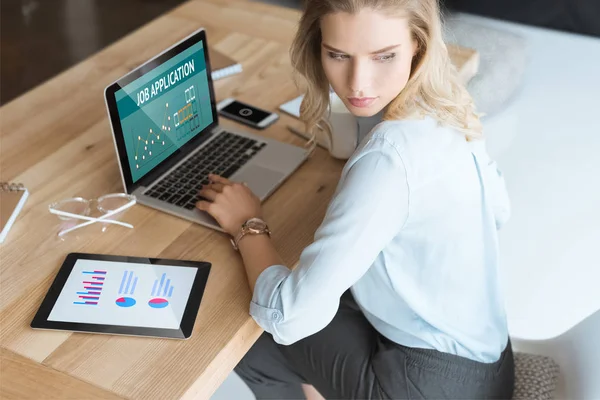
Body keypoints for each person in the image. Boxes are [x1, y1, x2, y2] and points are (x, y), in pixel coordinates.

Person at [195, 0, 515, 398]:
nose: (358, 83)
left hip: (425, 386)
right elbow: (500, 210)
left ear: (417, 44)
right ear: (317, 48)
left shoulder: (388, 160)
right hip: (488, 365)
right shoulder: (445, 100)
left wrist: (248, 226)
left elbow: (290, 317)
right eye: (338, 55)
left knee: (246, 338)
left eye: (384, 57)